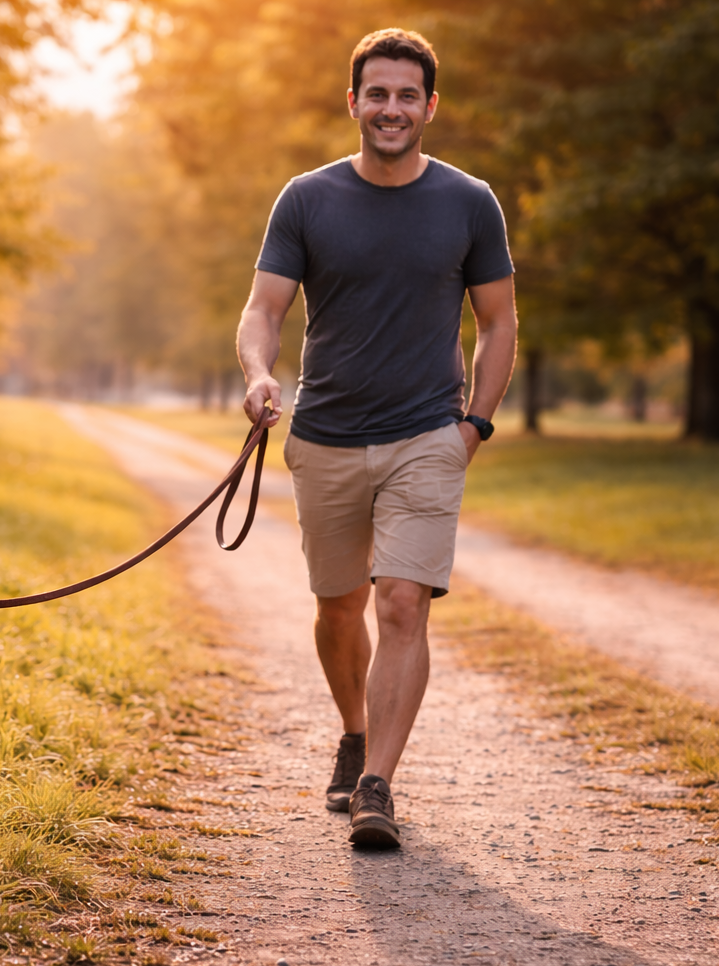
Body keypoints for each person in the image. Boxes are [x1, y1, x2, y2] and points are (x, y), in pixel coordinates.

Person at [236, 28, 518, 849]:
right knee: (339, 606)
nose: (390, 108)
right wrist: (259, 375)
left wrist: (473, 424)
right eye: (377, 93)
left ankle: (376, 784)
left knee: (402, 603)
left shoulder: (470, 202)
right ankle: (354, 728)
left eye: (406, 95)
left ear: (430, 106)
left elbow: (498, 322)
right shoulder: (306, 198)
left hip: (428, 434)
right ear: (352, 101)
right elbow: (263, 310)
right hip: (322, 434)